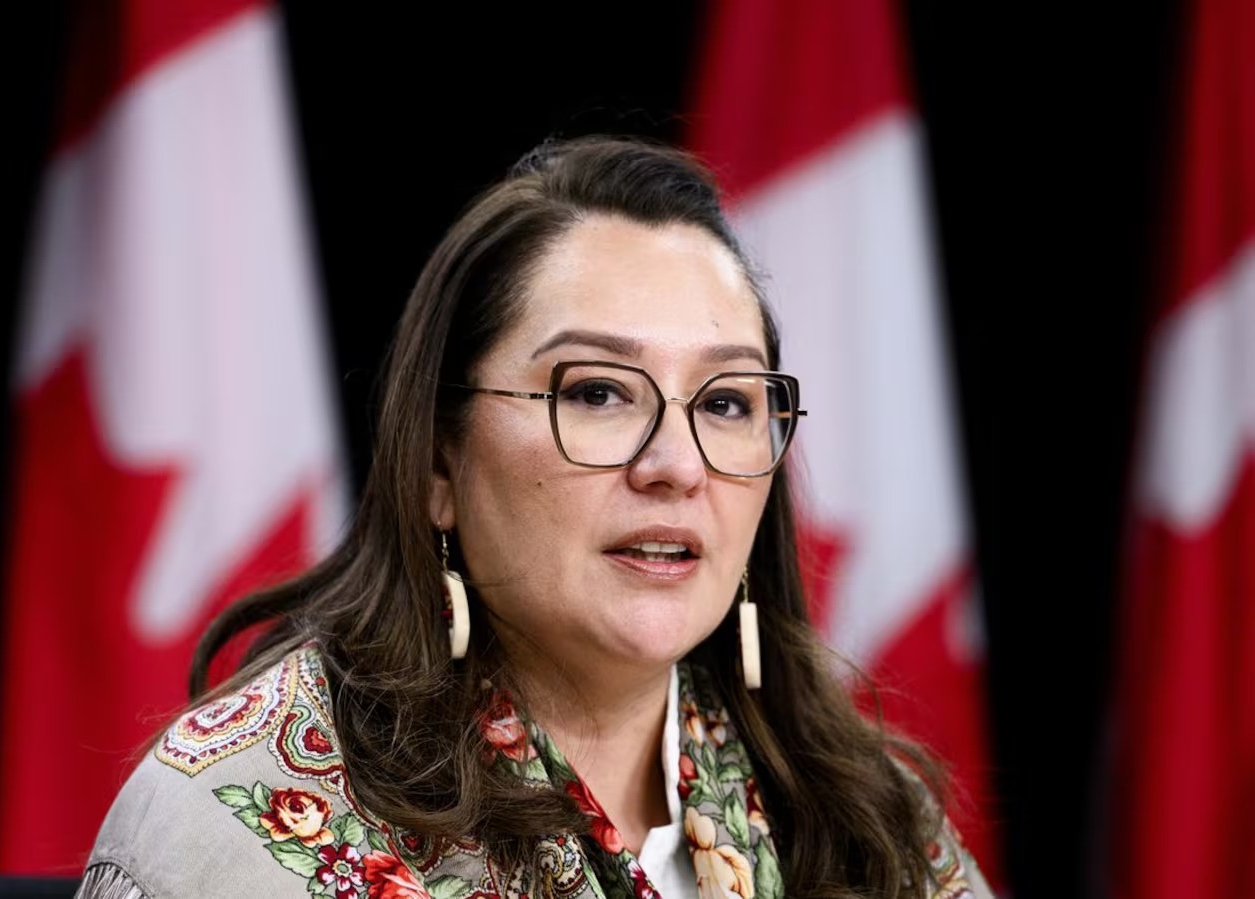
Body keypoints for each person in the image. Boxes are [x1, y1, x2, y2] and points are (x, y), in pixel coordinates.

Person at [76, 135, 994, 899]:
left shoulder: (867, 817)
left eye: (724, 402)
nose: (677, 466)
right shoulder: (233, 824)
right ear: (439, 461)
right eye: (597, 392)